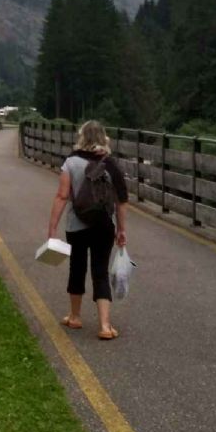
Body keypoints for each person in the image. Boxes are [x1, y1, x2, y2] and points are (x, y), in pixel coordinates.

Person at [47, 119, 128, 340]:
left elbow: (62, 196)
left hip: (76, 226)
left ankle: (75, 316)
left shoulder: (71, 162)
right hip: (104, 226)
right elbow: (121, 201)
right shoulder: (110, 164)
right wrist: (121, 230)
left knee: (77, 267)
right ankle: (105, 326)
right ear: (104, 138)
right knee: (100, 272)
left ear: (81, 137)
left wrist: (52, 228)